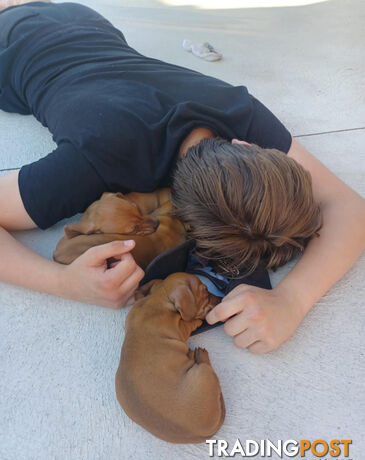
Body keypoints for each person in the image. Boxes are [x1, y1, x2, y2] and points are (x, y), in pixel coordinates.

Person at [0, 1, 364, 354]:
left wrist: (292, 299)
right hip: (13, 44)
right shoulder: (98, 158)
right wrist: (62, 283)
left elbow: (349, 207)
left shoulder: (237, 109)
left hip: (83, 18)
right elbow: (349, 206)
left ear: (246, 144)